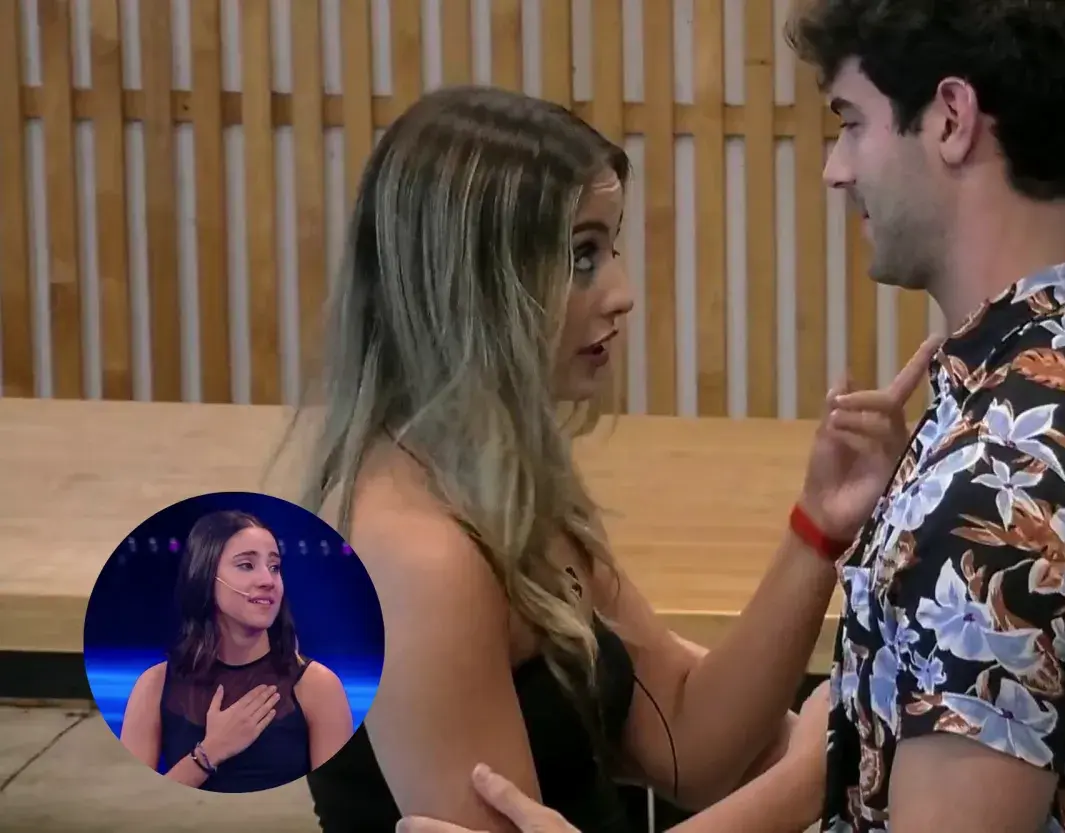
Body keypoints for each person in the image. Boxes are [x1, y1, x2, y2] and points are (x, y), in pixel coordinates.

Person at [405, 1, 1065, 832]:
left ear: (951, 118)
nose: (836, 169)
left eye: (851, 122)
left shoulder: (998, 485)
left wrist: (830, 753)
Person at [290, 83, 937, 833]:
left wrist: (818, 527)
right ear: (474, 280)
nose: (622, 293)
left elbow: (689, 741)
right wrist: (811, 777)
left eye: (609, 248)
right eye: (581, 256)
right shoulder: (419, 559)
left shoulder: (504, 489)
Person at [119, 510, 354, 792]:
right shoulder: (155, 685)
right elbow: (135, 802)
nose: (268, 580)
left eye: (274, 567)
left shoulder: (318, 686)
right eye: (246, 565)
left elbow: (338, 805)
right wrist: (210, 752)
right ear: (206, 576)